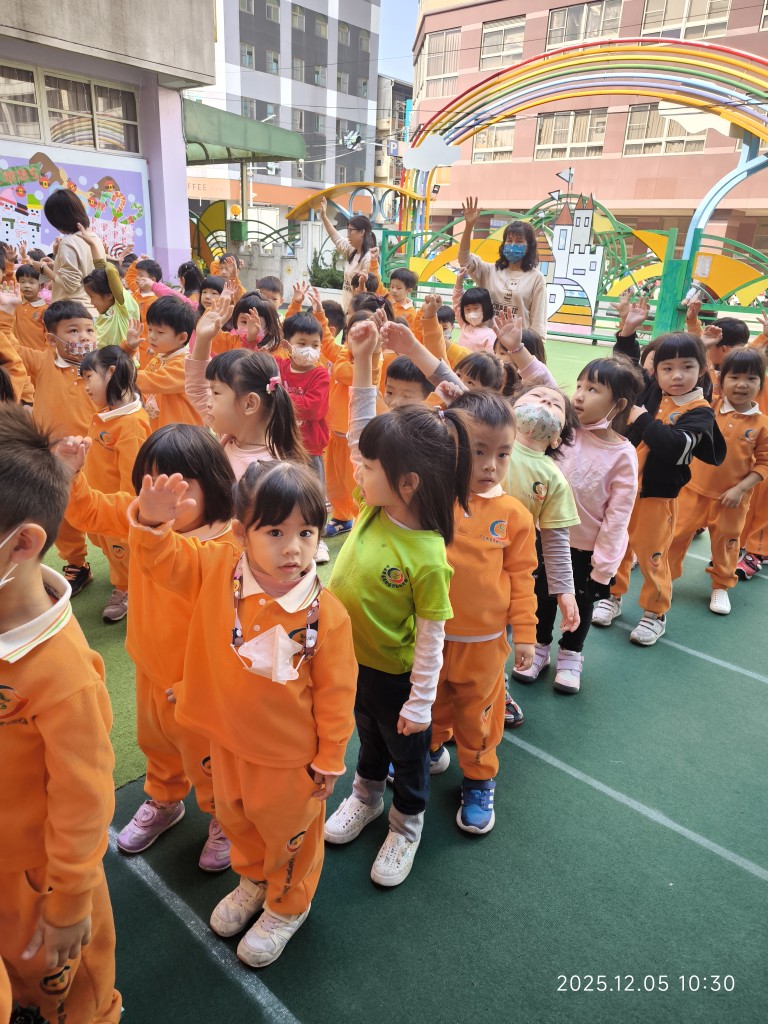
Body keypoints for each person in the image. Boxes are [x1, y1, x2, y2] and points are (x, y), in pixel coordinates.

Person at [128, 460, 357, 967]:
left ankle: (287, 905)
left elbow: (337, 695)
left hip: (288, 761)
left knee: (289, 838)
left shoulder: (326, 615)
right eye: (275, 532)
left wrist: (330, 757)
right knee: (235, 820)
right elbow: (163, 561)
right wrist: (151, 521)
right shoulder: (219, 568)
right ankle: (253, 880)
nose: (293, 548)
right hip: (224, 741)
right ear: (240, 534)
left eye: (306, 532)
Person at [324, 313, 473, 886]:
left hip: (397, 677)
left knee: (406, 755)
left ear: (408, 482)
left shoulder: (428, 555)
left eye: (368, 468)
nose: (358, 472)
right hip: (353, 661)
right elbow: (364, 432)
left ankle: (406, 825)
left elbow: (433, 637)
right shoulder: (376, 504)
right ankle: (365, 797)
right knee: (367, 737)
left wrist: (420, 703)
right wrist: (364, 361)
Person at [55, 425, 238, 871]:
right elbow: (88, 510)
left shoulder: (230, 548)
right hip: (149, 666)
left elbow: (232, 625)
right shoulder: (142, 515)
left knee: (210, 760)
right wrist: (71, 474)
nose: (161, 497)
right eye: (150, 484)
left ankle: (225, 818)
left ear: (213, 481)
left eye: (178, 485)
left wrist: (202, 682)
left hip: (197, 685)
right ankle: (164, 799)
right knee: (156, 745)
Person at [0, 404, 121, 1023]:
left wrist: (71, 900)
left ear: (22, 544)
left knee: (69, 997)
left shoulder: (63, 673)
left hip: (41, 880)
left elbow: (85, 797)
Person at [597, 332, 726, 645]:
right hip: (623, 491)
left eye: (687, 367)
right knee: (616, 546)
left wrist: (643, 420)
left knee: (653, 556)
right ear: (655, 371)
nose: (677, 375)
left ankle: (655, 613)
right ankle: (612, 596)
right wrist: (627, 334)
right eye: (667, 368)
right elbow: (627, 370)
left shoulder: (700, 410)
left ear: (702, 368)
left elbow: (675, 448)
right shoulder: (652, 390)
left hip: (657, 497)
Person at [522, 354, 641, 691]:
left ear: (618, 405)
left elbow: (618, 515)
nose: (579, 395)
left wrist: (603, 566)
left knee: (581, 605)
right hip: (546, 538)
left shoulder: (623, 455)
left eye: (592, 389)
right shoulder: (564, 431)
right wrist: (519, 352)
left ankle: (571, 654)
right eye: (579, 385)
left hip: (586, 550)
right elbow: (544, 387)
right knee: (542, 597)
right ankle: (540, 646)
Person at [669, 347, 768, 614]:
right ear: (721, 381)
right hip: (692, 490)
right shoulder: (707, 407)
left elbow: (764, 463)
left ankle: (721, 586)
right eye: (734, 377)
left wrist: (740, 489)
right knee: (675, 535)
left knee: (727, 544)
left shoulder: (762, 424)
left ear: (761, 383)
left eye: (751, 378)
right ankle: (666, 577)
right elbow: (696, 373)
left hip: (732, 499)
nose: (742, 384)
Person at [17, 301, 97, 595]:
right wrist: (6, 312)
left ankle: (123, 571)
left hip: (96, 455)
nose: (83, 337)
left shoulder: (102, 365)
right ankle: (77, 564)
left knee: (102, 513)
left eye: (89, 329)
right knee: (62, 516)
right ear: (52, 339)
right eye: (73, 331)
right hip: (54, 459)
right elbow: (8, 347)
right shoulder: (42, 362)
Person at [186, 295, 308, 479]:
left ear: (250, 404)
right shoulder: (232, 432)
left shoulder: (265, 474)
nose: (209, 401)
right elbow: (197, 389)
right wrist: (203, 339)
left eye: (216, 392)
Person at [79, 346, 151, 622]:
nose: (86, 387)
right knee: (111, 549)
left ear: (111, 373)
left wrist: (124, 518)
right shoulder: (109, 413)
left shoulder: (130, 424)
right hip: (100, 502)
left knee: (123, 552)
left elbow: (132, 480)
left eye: (89, 377)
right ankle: (126, 580)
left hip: (117, 510)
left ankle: (128, 589)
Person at [458, 196, 547, 335]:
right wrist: (469, 227)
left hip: (518, 343)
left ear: (529, 247)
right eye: (509, 240)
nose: (512, 245)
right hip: (488, 341)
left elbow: (538, 321)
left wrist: (535, 344)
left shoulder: (536, 278)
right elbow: (464, 260)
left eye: (519, 241)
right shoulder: (490, 271)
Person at [123, 296, 203, 430]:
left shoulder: (184, 364)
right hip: (161, 430)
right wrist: (129, 349)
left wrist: (120, 374)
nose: (151, 336)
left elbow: (151, 380)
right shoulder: (159, 358)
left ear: (181, 337)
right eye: (150, 329)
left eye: (159, 332)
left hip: (181, 435)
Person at [79, 226, 141, 349]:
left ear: (109, 295)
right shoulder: (102, 316)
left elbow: (110, 270)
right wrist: (92, 245)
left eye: (92, 296)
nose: (90, 302)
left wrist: (94, 244)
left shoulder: (122, 308)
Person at [318, 197, 379, 312]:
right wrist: (324, 217)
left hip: (357, 313)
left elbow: (369, 293)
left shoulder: (368, 259)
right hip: (346, 311)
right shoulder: (352, 249)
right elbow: (336, 238)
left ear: (362, 232)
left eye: (350, 231)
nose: (348, 235)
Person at [41, 190, 97, 315]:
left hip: (71, 312)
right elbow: (84, 271)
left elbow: (70, 285)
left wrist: (43, 268)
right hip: (91, 310)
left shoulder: (68, 243)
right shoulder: (94, 238)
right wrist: (56, 265)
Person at [452, 269, 496, 352]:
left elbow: (490, 359)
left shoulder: (490, 335)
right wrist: (459, 280)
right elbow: (456, 301)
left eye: (476, 308)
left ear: (485, 308)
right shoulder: (465, 325)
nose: (471, 313)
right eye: (467, 309)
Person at [13, 264, 48, 351]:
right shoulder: (15, 303)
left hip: (37, 355)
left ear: (41, 286)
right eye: (22, 282)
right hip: (14, 353)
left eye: (31, 282)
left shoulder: (45, 310)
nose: (27, 285)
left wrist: (46, 355)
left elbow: (49, 336)